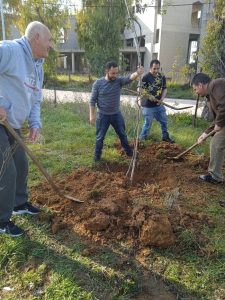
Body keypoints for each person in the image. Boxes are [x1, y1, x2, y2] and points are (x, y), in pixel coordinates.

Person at [0, 21, 52, 237]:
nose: (50, 46)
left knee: (21, 164)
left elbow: (36, 99)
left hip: (12, 124)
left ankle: (19, 204)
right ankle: (2, 220)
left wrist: (34, 123)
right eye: (49, 40)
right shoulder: (10, 51)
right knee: (6, 171)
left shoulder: (37, 67)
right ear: (36, 38)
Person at [89, 61, 144, 161]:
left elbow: (129, 78)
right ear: (106, 71)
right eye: (113, 73)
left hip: (116, 114)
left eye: (116, 73)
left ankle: (129, 153)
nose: (115, 75)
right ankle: (97, 157)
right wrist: (92, 115)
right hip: (102, 116)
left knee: (122, 135)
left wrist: (138, 72)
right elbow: (92, 100)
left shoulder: (118, 81)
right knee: (100, 137)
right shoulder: (98, 84)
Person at [192, 72, 225, 184]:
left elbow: (223, 106)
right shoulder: (210, 95)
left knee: (216, 143)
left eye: (195, 89)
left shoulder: (217, 84)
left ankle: (215, 177)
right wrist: (205, 134)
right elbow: (217, 119)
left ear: (200, 85)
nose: (195, 92)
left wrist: (219, 124)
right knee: (217, 142)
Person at [139, 59, 174, 143]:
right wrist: (148, 96)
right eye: (154, 68)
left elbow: (164, 88)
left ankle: (165, 137)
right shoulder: (145, 77)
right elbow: (139, 89)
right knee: (147, 124)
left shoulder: (161, 76)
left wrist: (162, 99)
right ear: (150, 68)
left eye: (158, 68)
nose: (156, 71)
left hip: (158, 104)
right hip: (148, 106)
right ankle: (141, 140)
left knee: (164, 121)